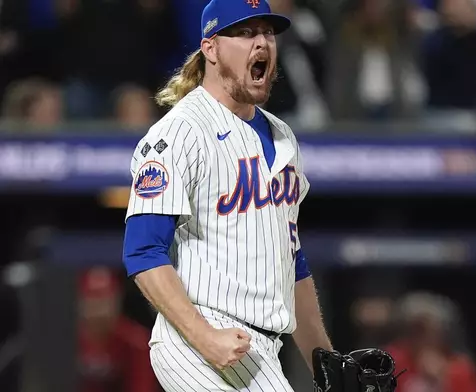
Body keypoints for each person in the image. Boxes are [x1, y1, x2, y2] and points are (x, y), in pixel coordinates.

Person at [121, 1, 333, 391]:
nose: (262, 43)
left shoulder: (283, 136)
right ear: (211, 49)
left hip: (260, 347)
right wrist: (203, 336)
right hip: (199, 336)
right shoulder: (180, 133)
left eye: (267, 32)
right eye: (245, 32)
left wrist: (325, 364)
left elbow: (293, 261)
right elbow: (143, 252)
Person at [77, 267, 158, 392]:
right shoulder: (66, 342)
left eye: (104, 301)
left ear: (116, 300)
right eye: (93, 300)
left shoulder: (136, 343)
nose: (99, 310)